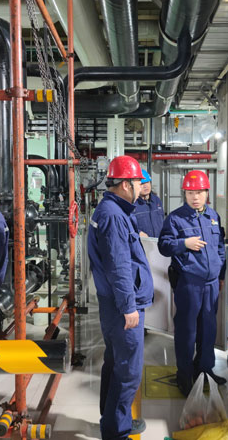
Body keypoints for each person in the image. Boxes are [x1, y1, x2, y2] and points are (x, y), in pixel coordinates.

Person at [88, 155, 153, 440]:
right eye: (137, 182)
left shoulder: (111, 210)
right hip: (122, 306)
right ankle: (117, 432)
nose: (140, 187)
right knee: (128, 372)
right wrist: (129, 307)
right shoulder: (114, 215)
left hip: (113, 303)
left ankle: (112, 420)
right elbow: (119, 266)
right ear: (126, 184)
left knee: (115, 363)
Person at [158, 170, 226, 397]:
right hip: (189, 283)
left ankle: (205, 370)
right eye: (189, 193)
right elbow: (163, 246)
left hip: (211, 284)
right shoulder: (175, 218)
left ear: (207, 193)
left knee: (208, 329)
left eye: (199, 192)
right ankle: (184, 375)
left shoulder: (213, 216)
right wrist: (184, 243)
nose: (195, 197)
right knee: (187, 330)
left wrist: (221, 274)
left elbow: (219, 248)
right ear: (184, 194)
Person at [132, 169, 164, 238]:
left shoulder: (156, 200)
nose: (145, 186)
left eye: (147, 182)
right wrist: (138, 232)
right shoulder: (132, 204)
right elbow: (128, 226)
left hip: (158, 242)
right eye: (142, 184)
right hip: (141, 242)